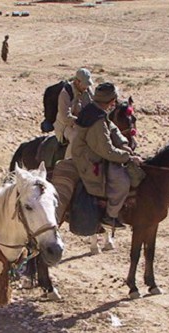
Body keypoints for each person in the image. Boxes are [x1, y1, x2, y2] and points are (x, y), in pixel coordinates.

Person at [71, 82, 142, 229]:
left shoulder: (97, 111)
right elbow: (107, 151)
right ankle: (110, 215)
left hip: (96, 153)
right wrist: (128, 157)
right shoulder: (96, 120)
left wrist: (123, 144)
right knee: (122, 182)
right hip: (89, 160)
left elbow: (112, 128)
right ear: (111, 101)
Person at [54, 68, 94, 158]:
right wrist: (82, 122)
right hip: (66, 125)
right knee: (76, 138)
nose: (86, 87)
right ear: (77, 81)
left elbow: (94, 104)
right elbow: (65, 117)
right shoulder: (66, 93)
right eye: (84, 85)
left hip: (84, 125)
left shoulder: (88, 90)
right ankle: (67, 163)